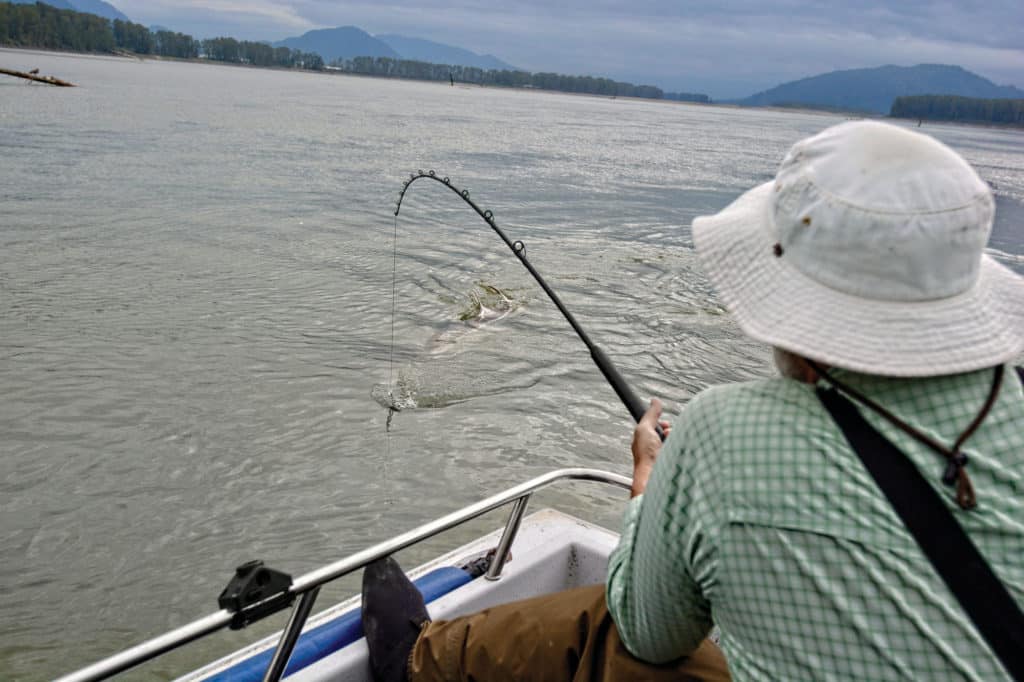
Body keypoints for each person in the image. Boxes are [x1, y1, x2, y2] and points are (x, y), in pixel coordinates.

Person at [361, 120, 1024, 681]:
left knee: (607, 624)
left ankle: (418, 660)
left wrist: (651, 488)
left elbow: (648, 633)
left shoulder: (726, 430)